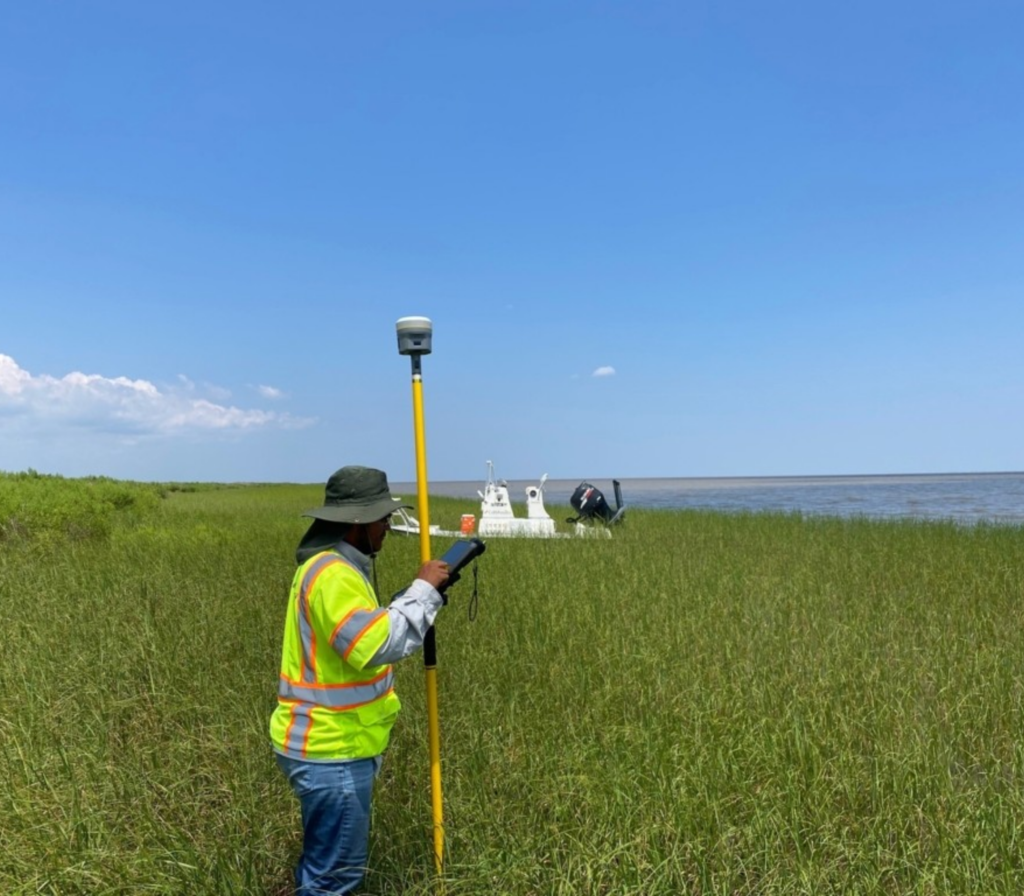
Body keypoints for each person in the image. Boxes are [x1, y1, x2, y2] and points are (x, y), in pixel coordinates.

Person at [270, 465, 449, 896]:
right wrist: (423, 592)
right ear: (357, 522)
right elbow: (372, 645)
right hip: (333, 750)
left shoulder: (337, 568)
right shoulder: (332, 574)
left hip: (331, 746)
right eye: (382, 518)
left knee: (322, 868)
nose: (387, 526)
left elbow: (359, 632)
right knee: (334, 880)